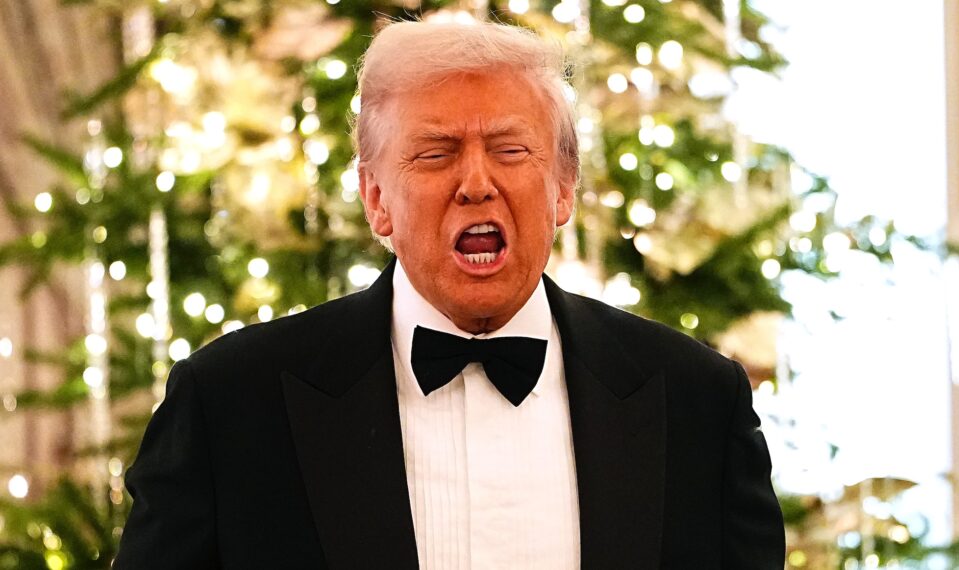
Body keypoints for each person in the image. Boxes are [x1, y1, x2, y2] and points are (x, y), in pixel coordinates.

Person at [113, 19, 785, 570]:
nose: (475, 183)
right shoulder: (231, 402)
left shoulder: (697, 400)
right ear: (376, 199)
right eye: (435, 153)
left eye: (510, 150)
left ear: (563, 187)